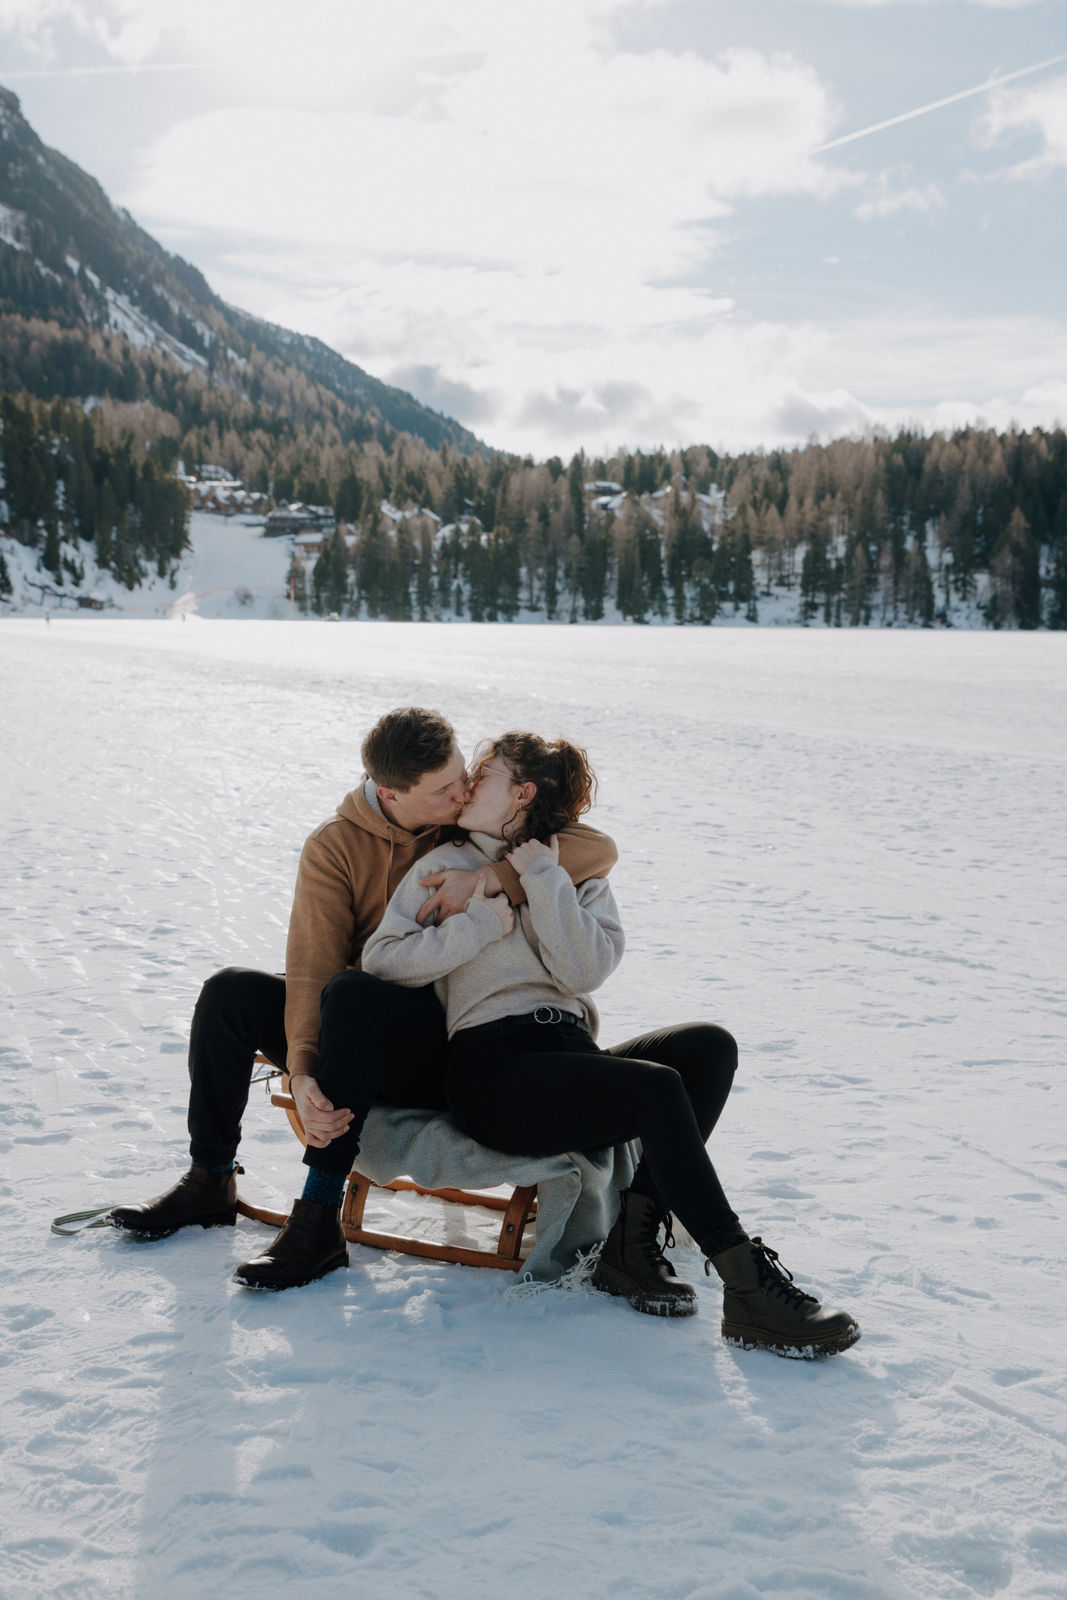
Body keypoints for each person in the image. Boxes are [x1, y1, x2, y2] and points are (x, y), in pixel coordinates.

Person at [355, 732, 860, 1359]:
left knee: (708, 1047)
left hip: (567, 1055)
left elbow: (583, 970)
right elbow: (381, 964)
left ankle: (631, 1238)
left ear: (522, 793)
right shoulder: (444, 867)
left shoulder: (571, 868)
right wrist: (477, 924)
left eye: (485, 774)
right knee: (657, 1087)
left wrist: (539, 876)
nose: (469, 782)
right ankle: (746, 1283)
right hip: (491, 1069)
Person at [107, 707, 618, 1257]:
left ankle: (316, 1210)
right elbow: (311, 968)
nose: (465, 790)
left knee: (355, 994)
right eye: (446, 787)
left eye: (464, 774)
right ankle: (209, 1179)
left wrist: (491, 876)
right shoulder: (336, 847)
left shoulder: (467, 823)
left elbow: (597, 848)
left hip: (448, 1034)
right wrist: (302, 1071)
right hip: (362, 1020)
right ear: (392, 794)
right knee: (230, 993)